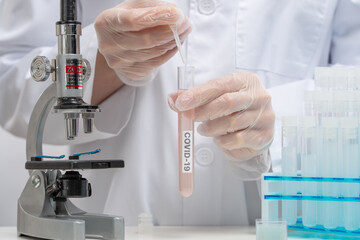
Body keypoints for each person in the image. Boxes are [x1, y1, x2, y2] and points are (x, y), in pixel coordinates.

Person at [0, 0, 359, 226]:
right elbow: (9, 79)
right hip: (114, 221)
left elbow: (351, 82)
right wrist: (100, 61)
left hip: (276, 223)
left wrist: (273, 126)